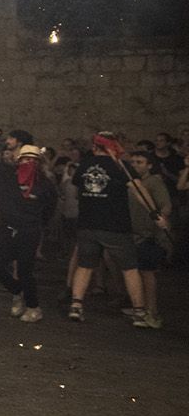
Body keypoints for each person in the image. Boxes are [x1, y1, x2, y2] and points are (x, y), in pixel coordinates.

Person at [69, 133, 150, 324]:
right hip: (115, 225)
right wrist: (154, 213)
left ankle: (76, 305)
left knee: (85, 265)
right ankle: (139, 312)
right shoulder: (120, 166)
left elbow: (75, 190)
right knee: (130, 268)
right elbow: (139, 190)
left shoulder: (84, 165)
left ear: (95, 146)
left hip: (87, 223)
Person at [0, 145, 56, 323]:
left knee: (25, 270)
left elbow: (50, 207)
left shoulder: (45, 184)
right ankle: (17, 291)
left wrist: (38, 224)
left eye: (32, 160)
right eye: (24, 159)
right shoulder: (8, 177)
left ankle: (33, 306)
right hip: (8, 230)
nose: (27, 163)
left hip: (29, 231)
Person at [126, 149, 171, 329]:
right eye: (134, 162)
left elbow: (165, 206)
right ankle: (141, 306)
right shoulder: (134, 183)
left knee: (147, 273)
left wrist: (158, 222)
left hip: (147, 234)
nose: (135, 165)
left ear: (149, 165)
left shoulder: (153, 182)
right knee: (137, 271)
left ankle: (152, 311)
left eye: (140, 162)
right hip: (134, 232)